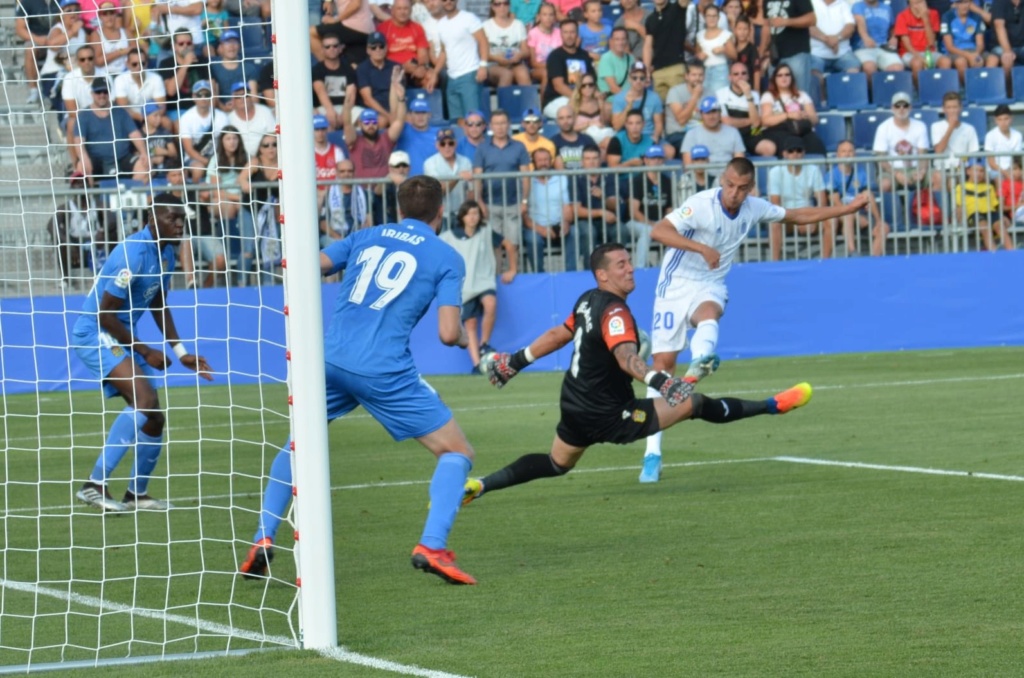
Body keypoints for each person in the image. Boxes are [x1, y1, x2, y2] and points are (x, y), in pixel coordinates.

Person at [239, 176, 482, 586]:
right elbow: (446, 332)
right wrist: (461, 336)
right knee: (457, 452)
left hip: (328, 358)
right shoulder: (447, 257)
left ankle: (262, 535)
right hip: (383, 368)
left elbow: (310, 264)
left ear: (399, 209)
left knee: (298, 443)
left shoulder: (365, 235)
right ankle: (433, 546)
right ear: (440, 212)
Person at [466, 242, 816, 502]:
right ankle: (772, 405)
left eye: (630, 262)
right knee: (693, 405)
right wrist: (663, 382)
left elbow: (560, 333)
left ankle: (480, 485)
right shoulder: (615, 312)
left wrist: (515, 362)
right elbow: (625, 357)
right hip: (609, 413)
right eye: (621, 264)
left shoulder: (588, 299)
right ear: (603, 274)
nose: (630, 268)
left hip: (574, 404)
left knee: (557, 463)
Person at [639, 157, 869, 482]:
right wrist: (700, 248)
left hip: (710, 282)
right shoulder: (700, 204)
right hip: (674, 285)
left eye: (742, 188)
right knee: (662, 365)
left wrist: (847, 209)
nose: (734, 193)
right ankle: (652, 453)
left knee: (710, 312)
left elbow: (798, 216)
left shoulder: (754, 207)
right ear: (723, 179)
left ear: (751, 188)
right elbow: (660, 230)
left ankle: (701, 360)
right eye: (730, 185)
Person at [72, 194, 213, 512]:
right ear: (152, 218)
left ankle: (136, 494)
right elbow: (104, 316)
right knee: (145, 401)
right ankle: (93, 485)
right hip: (95, 333)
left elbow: (157, 301)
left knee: (153, 419)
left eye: (182, 219)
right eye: (172, 218)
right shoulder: (131, 253)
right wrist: (146, 350)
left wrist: (180, 351)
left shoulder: (168, 252)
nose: (179, 224)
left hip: (121, 337)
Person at [440, 200, 517, 373]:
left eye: (476, 213)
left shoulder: (486, 231)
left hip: (484, 280)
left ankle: (484, 344)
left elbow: (509, 245)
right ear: (462, 216)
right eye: (470, 214)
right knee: (471, 324)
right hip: (464, 286)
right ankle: (477, 365)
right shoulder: (449, 236)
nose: (473, 217)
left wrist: (512, 269)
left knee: (490, 304)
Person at [474, 109, 530, 263]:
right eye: (496, 124)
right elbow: (477, 177)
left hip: (513, 203)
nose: (500, 127)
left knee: (513, 243)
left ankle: (514, 276)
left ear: (509, 125)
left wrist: (524, 201)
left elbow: (526, 176)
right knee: (494, 244)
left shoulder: (519, 146)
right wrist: (479, 202)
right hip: (490, 204)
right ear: (490, 126)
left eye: (503, 123)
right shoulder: (482, 148)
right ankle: (497, 277)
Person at [768, 136, 834, 260]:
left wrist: (811, 219)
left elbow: (822, 202)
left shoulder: (813, 170)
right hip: (786, 216)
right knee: (774, 222)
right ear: (785, 154)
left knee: (831, 220)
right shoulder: (775, 172)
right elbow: (775, 205)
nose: (795, 154)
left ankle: (825, 262)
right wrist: (797, 220)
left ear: (803, 153)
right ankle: (774, 263)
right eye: (791, 151)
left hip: (808, 214)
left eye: (798, 150)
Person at [828, 139, 890, 257]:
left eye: (850, 151)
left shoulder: (861, 173)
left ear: (855, 154)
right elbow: (835, 200)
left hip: (860, 213)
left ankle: (873, 262)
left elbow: (867, 196)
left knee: (884, 227)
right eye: (843, 151)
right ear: (837, 154)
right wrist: (853, 213)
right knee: (848, 216)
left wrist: (878, 220)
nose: (847, 154)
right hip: (842, 213)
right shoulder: (831, 174)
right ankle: (853, 252)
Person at [523, 147, 580, 271]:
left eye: (546, 160)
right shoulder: (527, 181)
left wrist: (566, 222)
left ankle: (571, 275)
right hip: (535, 227)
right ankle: (539, 276)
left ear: (551, 161)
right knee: (533, 240)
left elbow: (566, 206)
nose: (543, 163)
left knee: (574, 232)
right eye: (540, 160)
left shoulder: (561, 179)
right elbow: (523, 214)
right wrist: (540, 229)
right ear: (534, 163)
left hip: (558, 224)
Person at [435, 0, 489, 123]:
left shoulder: (469, 18)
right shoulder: (441, 24)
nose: (448, 2)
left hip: (469, 75)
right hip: (451, 78)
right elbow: (444, 52)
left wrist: (483, 66)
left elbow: (483, 41)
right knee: (458, 121)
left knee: (474, 120)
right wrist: (434, 73)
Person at [757, 63, 825, 157]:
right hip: (779, 132)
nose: (783, 78)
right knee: (791, 143)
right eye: (780, 75)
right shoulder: (768, 96)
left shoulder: (802, 95)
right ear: (774, 79)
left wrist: (805, 116)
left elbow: (815, 119)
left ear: (791, 77)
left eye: (787, 75)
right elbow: (765, 120)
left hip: (802, 130)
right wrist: (788, 115)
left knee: (815, 142)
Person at [717, 61, 775, 157]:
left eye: (744, 73)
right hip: (729, 134)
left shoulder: (754, 95)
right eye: (736, 74)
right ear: (730, 77)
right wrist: (750, 121)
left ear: (748, 76)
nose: (740, 77)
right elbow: (727, 122)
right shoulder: (721, 94)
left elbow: (756, 124)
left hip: (752, 134)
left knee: (769, 148)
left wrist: (748, 95)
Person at [955, 159, 1015, 251]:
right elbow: (959, 204)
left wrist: (1002, 216)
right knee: (984, 226)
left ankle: (1013, 255)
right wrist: (960, 216)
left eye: (981, 171)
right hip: (974, 214)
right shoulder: (961, 187)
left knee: (1000, 227)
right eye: (976, 170)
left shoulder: (989, 187)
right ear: (968, 171)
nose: (979, 174)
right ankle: (994, 256)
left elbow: (994, 206)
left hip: (990, 212)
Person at [542, 19, 597, 118]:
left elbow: (592, 81)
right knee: (576, 115)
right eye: (565, 32)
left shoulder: (585, 55)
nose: (569, 36)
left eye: (572, 32)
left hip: (583, 98)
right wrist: (579, 99)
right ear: (561, 34)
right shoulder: (555, 56)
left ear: (577, 34)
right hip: (557, 99)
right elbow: (558, 85)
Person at [763, 0, 816, 95]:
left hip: (797, 52)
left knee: (800, 94)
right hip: (775, 56)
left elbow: (812, 19)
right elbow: (766, 25)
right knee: (775, 95)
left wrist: (787, 21)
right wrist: (761, 50)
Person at [679, 96, 745, 171]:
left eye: (714, 112)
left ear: (720, 113)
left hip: (728, 178)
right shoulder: (691, 134)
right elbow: (688, 166)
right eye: (707, 113)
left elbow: (740, 163)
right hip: (703, 179)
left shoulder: (733, 132)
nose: (711, 116)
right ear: (701, 115)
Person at [942, 0, 998, 86]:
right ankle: (967, 88)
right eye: (962, 3)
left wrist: (976, 54)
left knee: (993, 59)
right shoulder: (947, 17)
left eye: (967, 2)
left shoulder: (976, 17)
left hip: (973, 49)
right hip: (956, 51)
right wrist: (969, 56)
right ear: (956, 4)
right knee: (961, 62)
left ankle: (985, 85)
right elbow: (949, 47)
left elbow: (980, 44)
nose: (965, 6)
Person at [894, 0, 948, 88]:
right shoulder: (902, 16)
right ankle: (919, 91)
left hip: (928, 51)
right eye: (916, 3)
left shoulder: (933, 14)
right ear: (910, 5)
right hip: (909, 52)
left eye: (921, 2)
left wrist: (925, 18)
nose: (919, 6)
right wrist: (919, 57)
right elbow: (906, 44)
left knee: (946, 61)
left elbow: (931, 43)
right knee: (917, 63)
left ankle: (941, 89)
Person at [424, 127, 475, 220]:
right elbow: (439, 190)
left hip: (461, 214)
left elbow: (471, 191)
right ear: (437, 145)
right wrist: (457, 178)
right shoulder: (430, 163)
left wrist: (468, 212)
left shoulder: (465, 161)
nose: (447, 147)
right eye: (442, 143)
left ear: (455, 144)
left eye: (450, 143)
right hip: (440, 215)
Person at [311, 33, 359, 131]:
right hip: (324, 107)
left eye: (335, 46)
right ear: (322, 50)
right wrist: (330, 111)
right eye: (327, 47)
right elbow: (321, 92)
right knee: (324, 124)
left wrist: (345, 114)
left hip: (346, 107)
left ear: (340, 48)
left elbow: (351, 94)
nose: (331, 49)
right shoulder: (317, 69)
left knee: (368, 120)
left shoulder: (348, 68)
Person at [643, 0, 688, 101]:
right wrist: (646, 70)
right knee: (661, 110)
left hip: (676, 67)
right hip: (657, 71)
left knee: (680, 105)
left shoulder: (677, 8)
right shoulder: (650, 19)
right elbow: (648, 46)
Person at [357, 32, 402, 128]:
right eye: (373, 47)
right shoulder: (362, 69)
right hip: (373, 110)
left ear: (386, 48)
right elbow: (367, 99)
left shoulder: (396, 67)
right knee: (381, 121)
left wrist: (393, 114)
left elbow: (399, 93)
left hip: (394, 107)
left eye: (381, 46)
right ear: (368, 50)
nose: (378, 50)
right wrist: (388, 115)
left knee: (410, 119)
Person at [482, 0, 531, 87]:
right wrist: (497, 58)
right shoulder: (485, 26)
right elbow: (482, 53)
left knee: (523, 73)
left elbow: (526, 51)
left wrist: (519, 55)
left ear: (509, 5)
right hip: (494, 64)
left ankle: (528, 100)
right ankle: (504, 100)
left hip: (515, 62)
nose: (502, 7)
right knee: (506, 74)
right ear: (492, 6)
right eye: (498, 4)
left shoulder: (518, 25)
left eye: (505, 3)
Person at [851, 0, 904, 80]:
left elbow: (892, 27)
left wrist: (894, 37)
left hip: (884, 47)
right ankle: (873, 92)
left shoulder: (887, 8)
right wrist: (865, 37)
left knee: (897, 68)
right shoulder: (858, 6)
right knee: (869, 68)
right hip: (863, 47)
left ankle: (888, 91)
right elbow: (860, 23)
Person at [808, 0, 861, 77]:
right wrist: (827, 40)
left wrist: (837, 38)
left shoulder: (843, 4)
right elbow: (808, 26)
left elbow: (850, 27)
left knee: (854, 72)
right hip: (816, 53)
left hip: (842, 53)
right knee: (814, 75)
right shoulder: (810, 3)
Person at [664, 61, 704, 152]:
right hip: (679, 134)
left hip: (702, 133)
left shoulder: (710, 92)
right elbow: (681, 120)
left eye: (701, 75)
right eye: (694, 75)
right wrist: (695, 96)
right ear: (686, 76)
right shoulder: (675, 92)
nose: (697, 78)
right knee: (693, 145)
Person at [694, 4, 731, 94]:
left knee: (720, 99)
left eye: (714, 16)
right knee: (706, 100)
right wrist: (700, 56)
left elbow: (734, 56)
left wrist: (724, 50)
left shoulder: (725, 34)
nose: (712, 18)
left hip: (721, 70)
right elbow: (697, 53)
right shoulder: (699, 35)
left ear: (718, 18)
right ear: (704, 17)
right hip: (705, 71)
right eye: (709, 16)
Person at [526, 2, 562, 92]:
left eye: (551, 15)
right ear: (539, 16)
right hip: (538, 69)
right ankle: (544, 103)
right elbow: (533, 63)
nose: (548, 18)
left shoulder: (559, 32)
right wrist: (552, 66)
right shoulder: (533, 33)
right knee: (547, 73)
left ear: (554, 17)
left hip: (557, 67)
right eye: (545, 15)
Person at [984, 104, 1023, 181]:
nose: (1003, 122)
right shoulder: (990, 136)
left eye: (1006, 119)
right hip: (996, 170)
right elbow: (991, 163)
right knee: (999, 177)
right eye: (1000, 119)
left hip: (1012, 169)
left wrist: (1015, 171)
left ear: (1011, 119)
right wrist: (1006, 173)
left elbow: (1017, 159)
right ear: (995, 120)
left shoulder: (1018, 135)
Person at [551, 104, 597, 169]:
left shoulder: (587, 140)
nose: (565, 121)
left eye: (569, 117)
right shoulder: (552, 143)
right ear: (557, 121)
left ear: (575, 118)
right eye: (561, 118)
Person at [597, 26, 635, 96]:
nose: (620, 42)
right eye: (617, 39)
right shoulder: (606, 59)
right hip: (614, 101)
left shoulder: (631, 58)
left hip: (630, 98)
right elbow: (614, 88)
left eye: (623, 39)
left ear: (627, 41)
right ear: (611, 41)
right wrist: (630, 100)